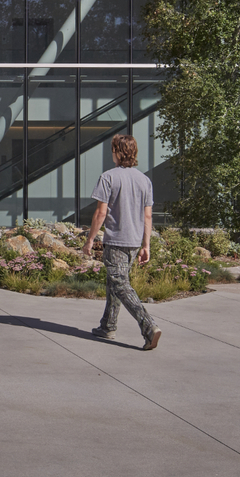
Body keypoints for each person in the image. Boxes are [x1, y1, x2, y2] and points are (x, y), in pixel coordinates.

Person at [82, 134, 161, 350]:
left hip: (116, 241)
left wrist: (89, 240)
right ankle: (108, 325)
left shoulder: (108, 177)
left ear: (118, 152)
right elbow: (147, 217)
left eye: (113, 150)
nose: (112, 154)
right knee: (114, 282)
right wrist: (146, 246)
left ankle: (149, 326)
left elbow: (100, 212)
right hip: (135, 243)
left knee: (120, 284)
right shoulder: (145, 180)